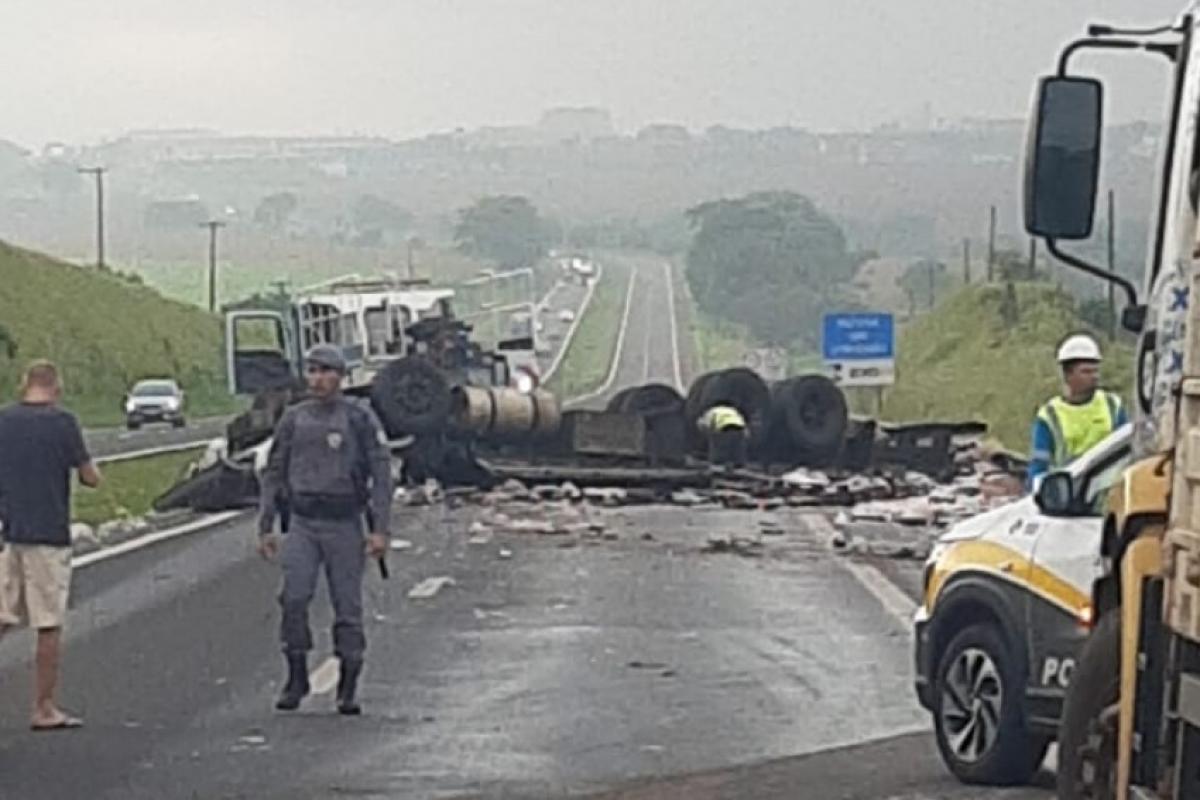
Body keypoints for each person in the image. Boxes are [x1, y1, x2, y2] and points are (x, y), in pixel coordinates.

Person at [257, 344, 393, 715]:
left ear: (341, 376)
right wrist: (265, 523)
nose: (317, 379)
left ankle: (348, 684)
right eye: (312, 371)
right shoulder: (294, 418)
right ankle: (296, 673)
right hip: (303, 521)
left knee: (347, 607)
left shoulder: (358, 418)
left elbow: (381, 474)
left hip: (344, 523)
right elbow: (274, 471)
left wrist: (380, 529)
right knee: (293, 597)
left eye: (325, 371)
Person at [0, 360, 101, 731]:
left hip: (9, 532)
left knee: (2, 613)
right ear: (55, 386)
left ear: (24, 384)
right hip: (49, 534)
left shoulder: (4, 421)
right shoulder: (62, 423)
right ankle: (43, 707)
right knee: (47, 623)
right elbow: (90, 477)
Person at [1027, 334, 1128, 489]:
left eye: (1095, 371)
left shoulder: (1112, 405)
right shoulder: (1049, 416)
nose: (1094, 377)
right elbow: (1039, 468)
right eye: (1086, 372)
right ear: (1067, 375)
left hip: (1109, 491)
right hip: (1069, 498)